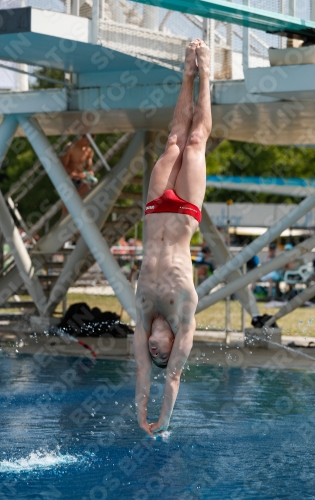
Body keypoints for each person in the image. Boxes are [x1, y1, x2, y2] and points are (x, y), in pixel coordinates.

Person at [134, 39, 211, 437]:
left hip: (153, 208)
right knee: (196, 142)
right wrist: (162, 423)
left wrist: (139, 416)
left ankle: (186, 74)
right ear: (173, 345)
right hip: (183, 212)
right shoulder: (184, 320)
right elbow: (172, 379)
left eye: (154, 352)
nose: (154, 350)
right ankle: (206, 77)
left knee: (173, 142)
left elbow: (143, 377)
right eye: (160, 352)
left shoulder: (142, 314)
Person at [61, 135, 98, 214]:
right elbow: (62, 167)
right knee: (67, 208)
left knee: (88, 192)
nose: (88, 143)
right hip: (69, 179)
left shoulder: (88, 151)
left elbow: (90, 168)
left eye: (90, 141)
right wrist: (75, 175)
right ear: (81, 137)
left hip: (81, 179)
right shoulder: (70, 147)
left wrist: (89, 174)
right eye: (87, 140)